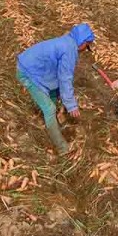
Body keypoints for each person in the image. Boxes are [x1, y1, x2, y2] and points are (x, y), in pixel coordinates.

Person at [16, 23, 95, 155]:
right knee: (49, 109)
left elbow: (60, 74)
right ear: (82, 41)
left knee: (55, 92)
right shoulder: (69, 50)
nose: (85, 49)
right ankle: (62, 147)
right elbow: (65, 78)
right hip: (28, 73)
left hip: (35, 68)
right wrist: (71, 105)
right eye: (87, 46)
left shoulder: (68, 41)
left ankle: (55, 123)